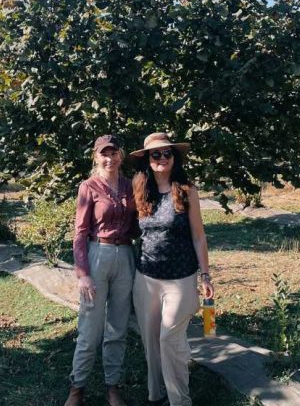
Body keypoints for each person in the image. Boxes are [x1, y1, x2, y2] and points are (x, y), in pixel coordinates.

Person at [130, 132, 214, 406]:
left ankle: (180, 400)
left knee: (169, 340)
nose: (162, 158)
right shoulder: (140, 189)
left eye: (167, 153)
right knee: (151, 342)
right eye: (156, 154)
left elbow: (198, 236)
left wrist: (206, 274)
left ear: (175, 158)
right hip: (146, 279)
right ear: (147, 159)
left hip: (181, 279)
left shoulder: (187, 190)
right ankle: (157, 395)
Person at [65, 135, 138, 406]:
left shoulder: (131, 186)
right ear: (96, 157)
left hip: (125, 255)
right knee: (90, 327)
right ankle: (77, 387)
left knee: (117, 326)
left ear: (120, 155)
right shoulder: (89, 186)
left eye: (114, 153)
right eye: (103, 154)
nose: (109, 158)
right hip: (98, 254)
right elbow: (80, 233)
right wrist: (83, 272)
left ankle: (112, 386)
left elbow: (138, 223)